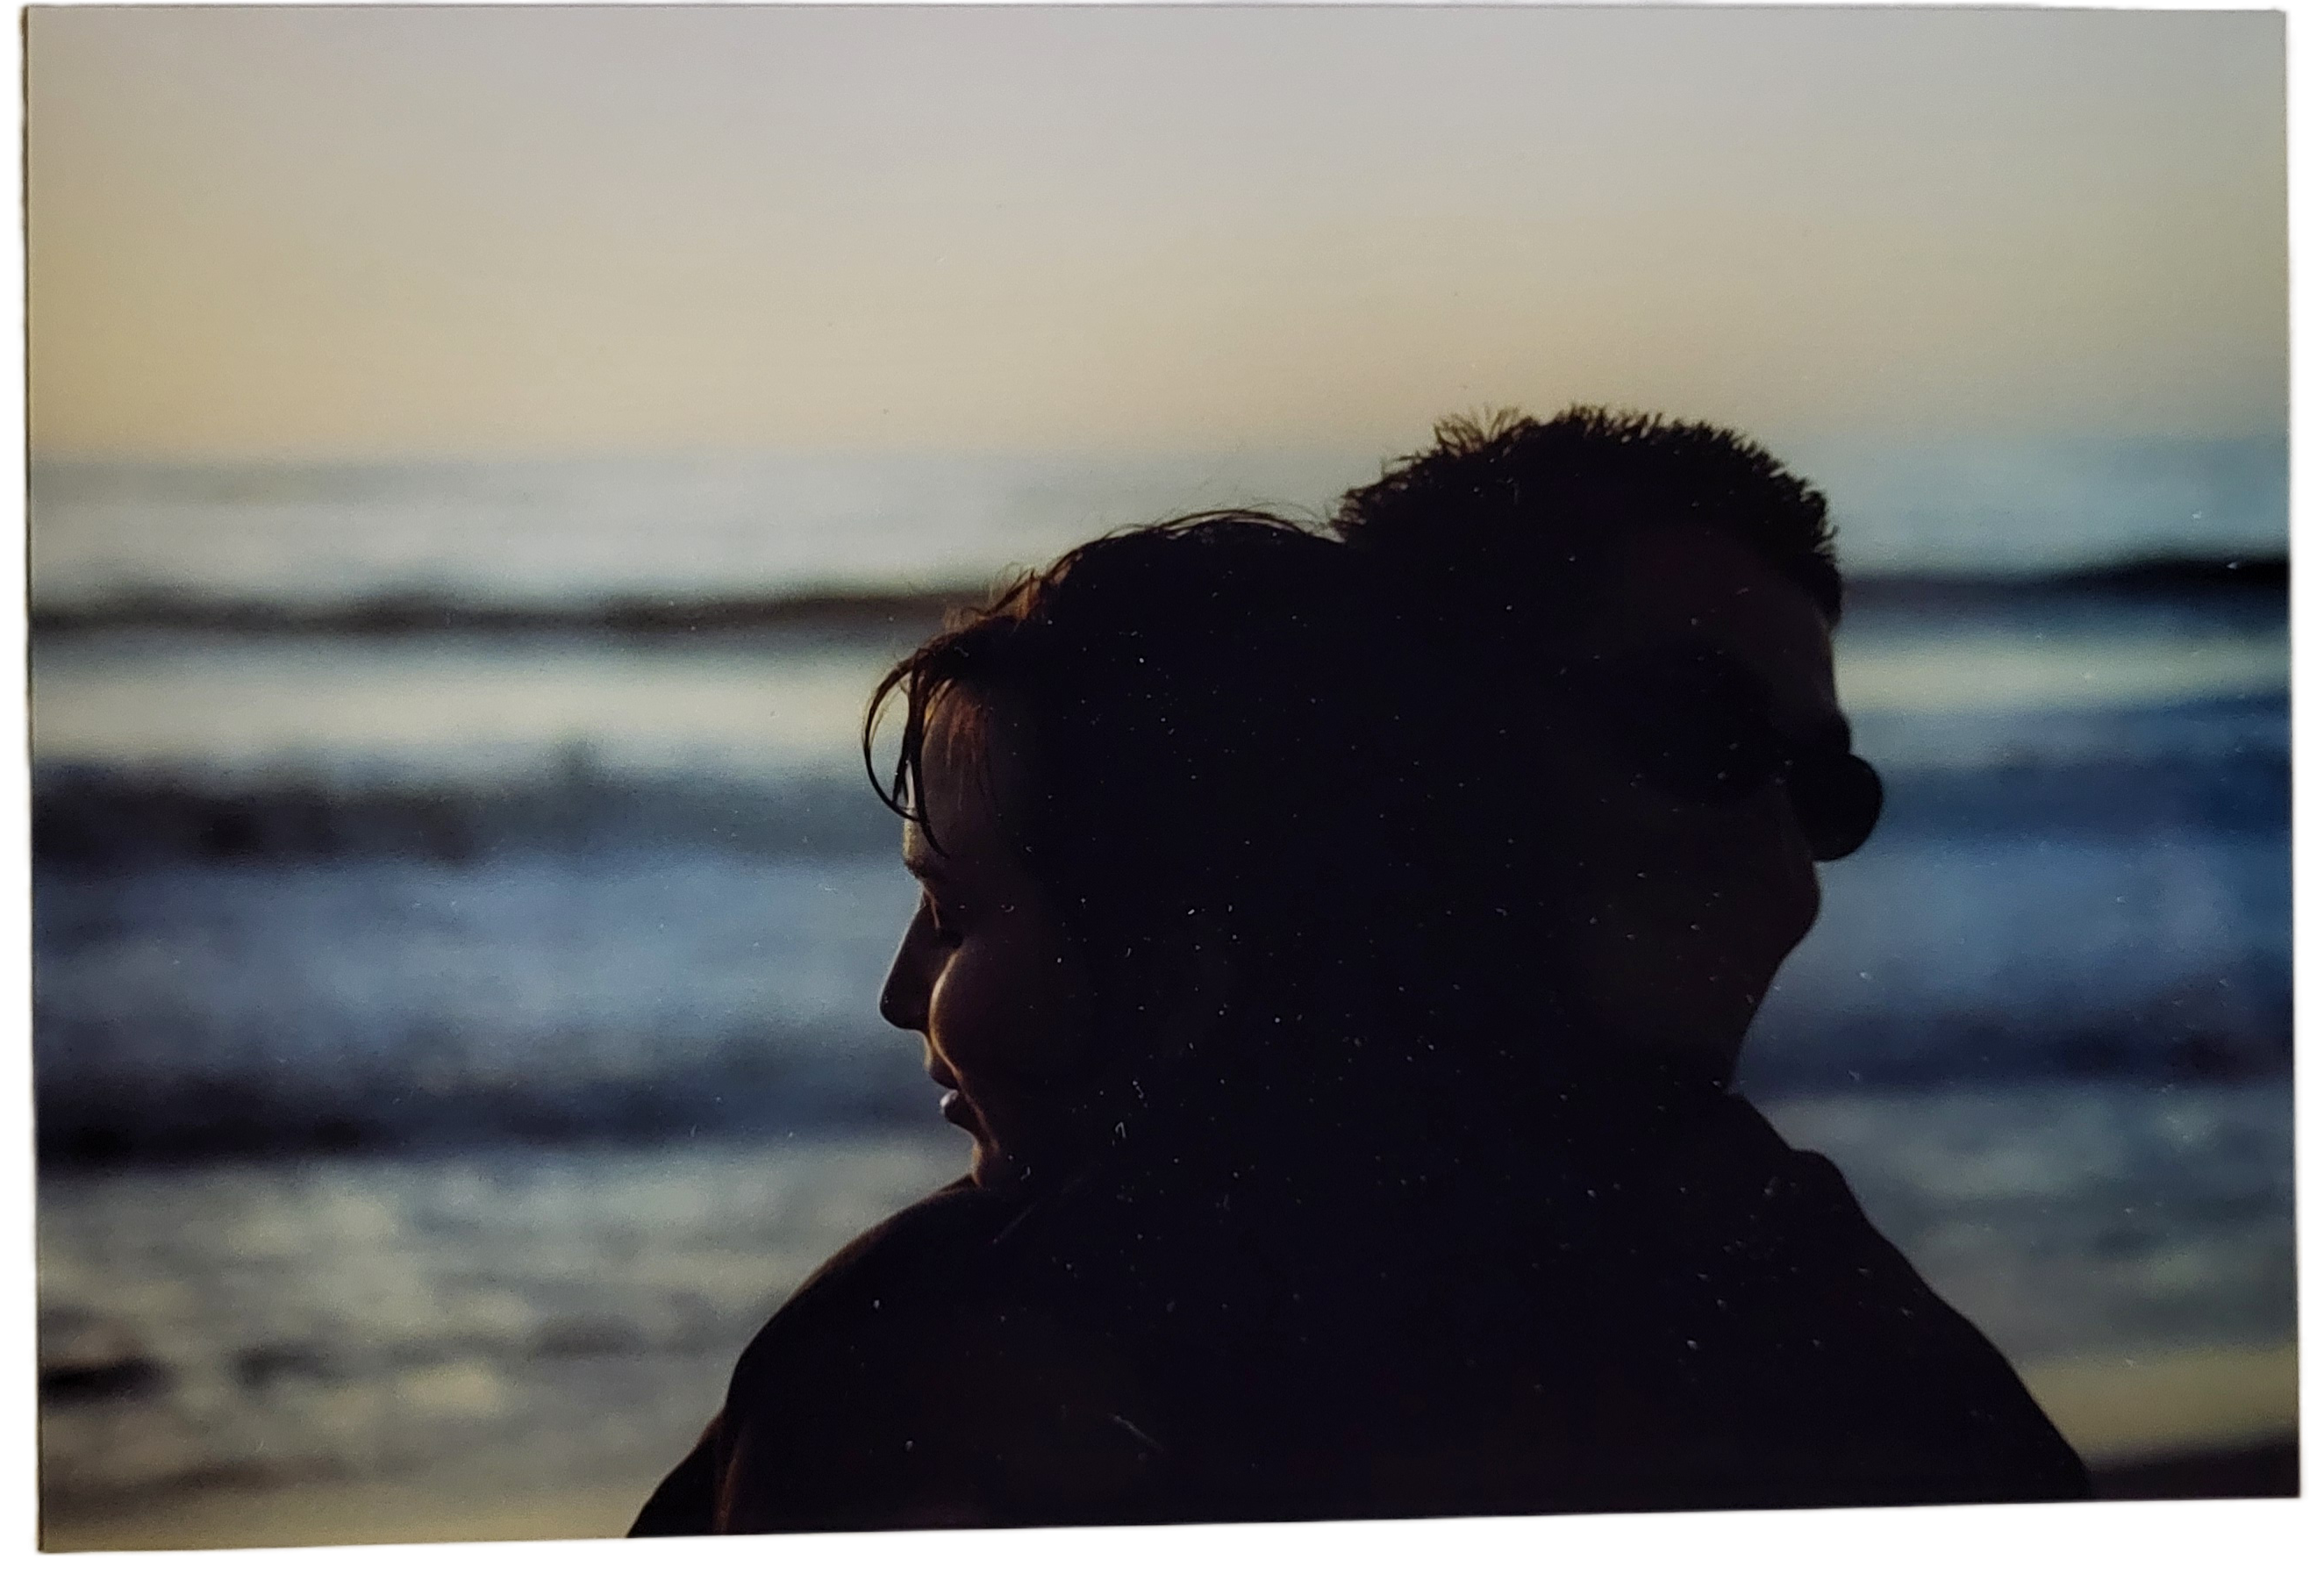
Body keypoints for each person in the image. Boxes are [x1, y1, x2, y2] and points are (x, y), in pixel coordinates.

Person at [632, 408, 2090, 1534]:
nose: (1783, 875)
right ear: (1420, 765)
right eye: (1693, 734)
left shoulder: (1793, 1289)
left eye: (1832, 804)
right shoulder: (969, 1365)